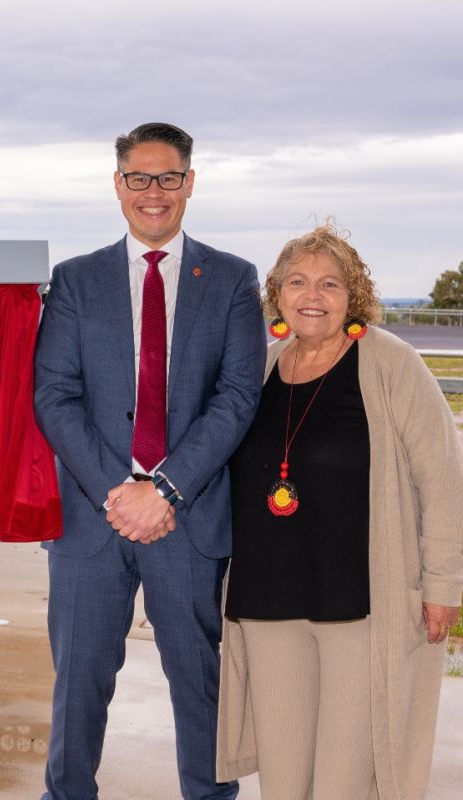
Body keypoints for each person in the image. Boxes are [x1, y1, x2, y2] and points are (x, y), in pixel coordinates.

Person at [33, 122, 264, 800]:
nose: (153, 193)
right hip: (91, 522)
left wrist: (165, 488)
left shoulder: (230, 279)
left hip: (188, 520)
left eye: (168, 178)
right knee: (76, 688)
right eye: (140, 177)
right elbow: (54, 395)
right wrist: (119, 489)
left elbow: (238, 395)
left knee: (200, 688)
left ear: (190, 183)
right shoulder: (76, 281)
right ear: (118, 184)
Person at [217, 224, 463, 799]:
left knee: (344, 780)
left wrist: (443, 584)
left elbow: (442, 480)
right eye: (297, 281)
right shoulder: (260, 369)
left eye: (330, 284)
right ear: (275, 293)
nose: (312, 295)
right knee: (283, 779)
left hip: (360, 606)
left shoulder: (391, 366)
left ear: (353, 295)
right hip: (268, 602)